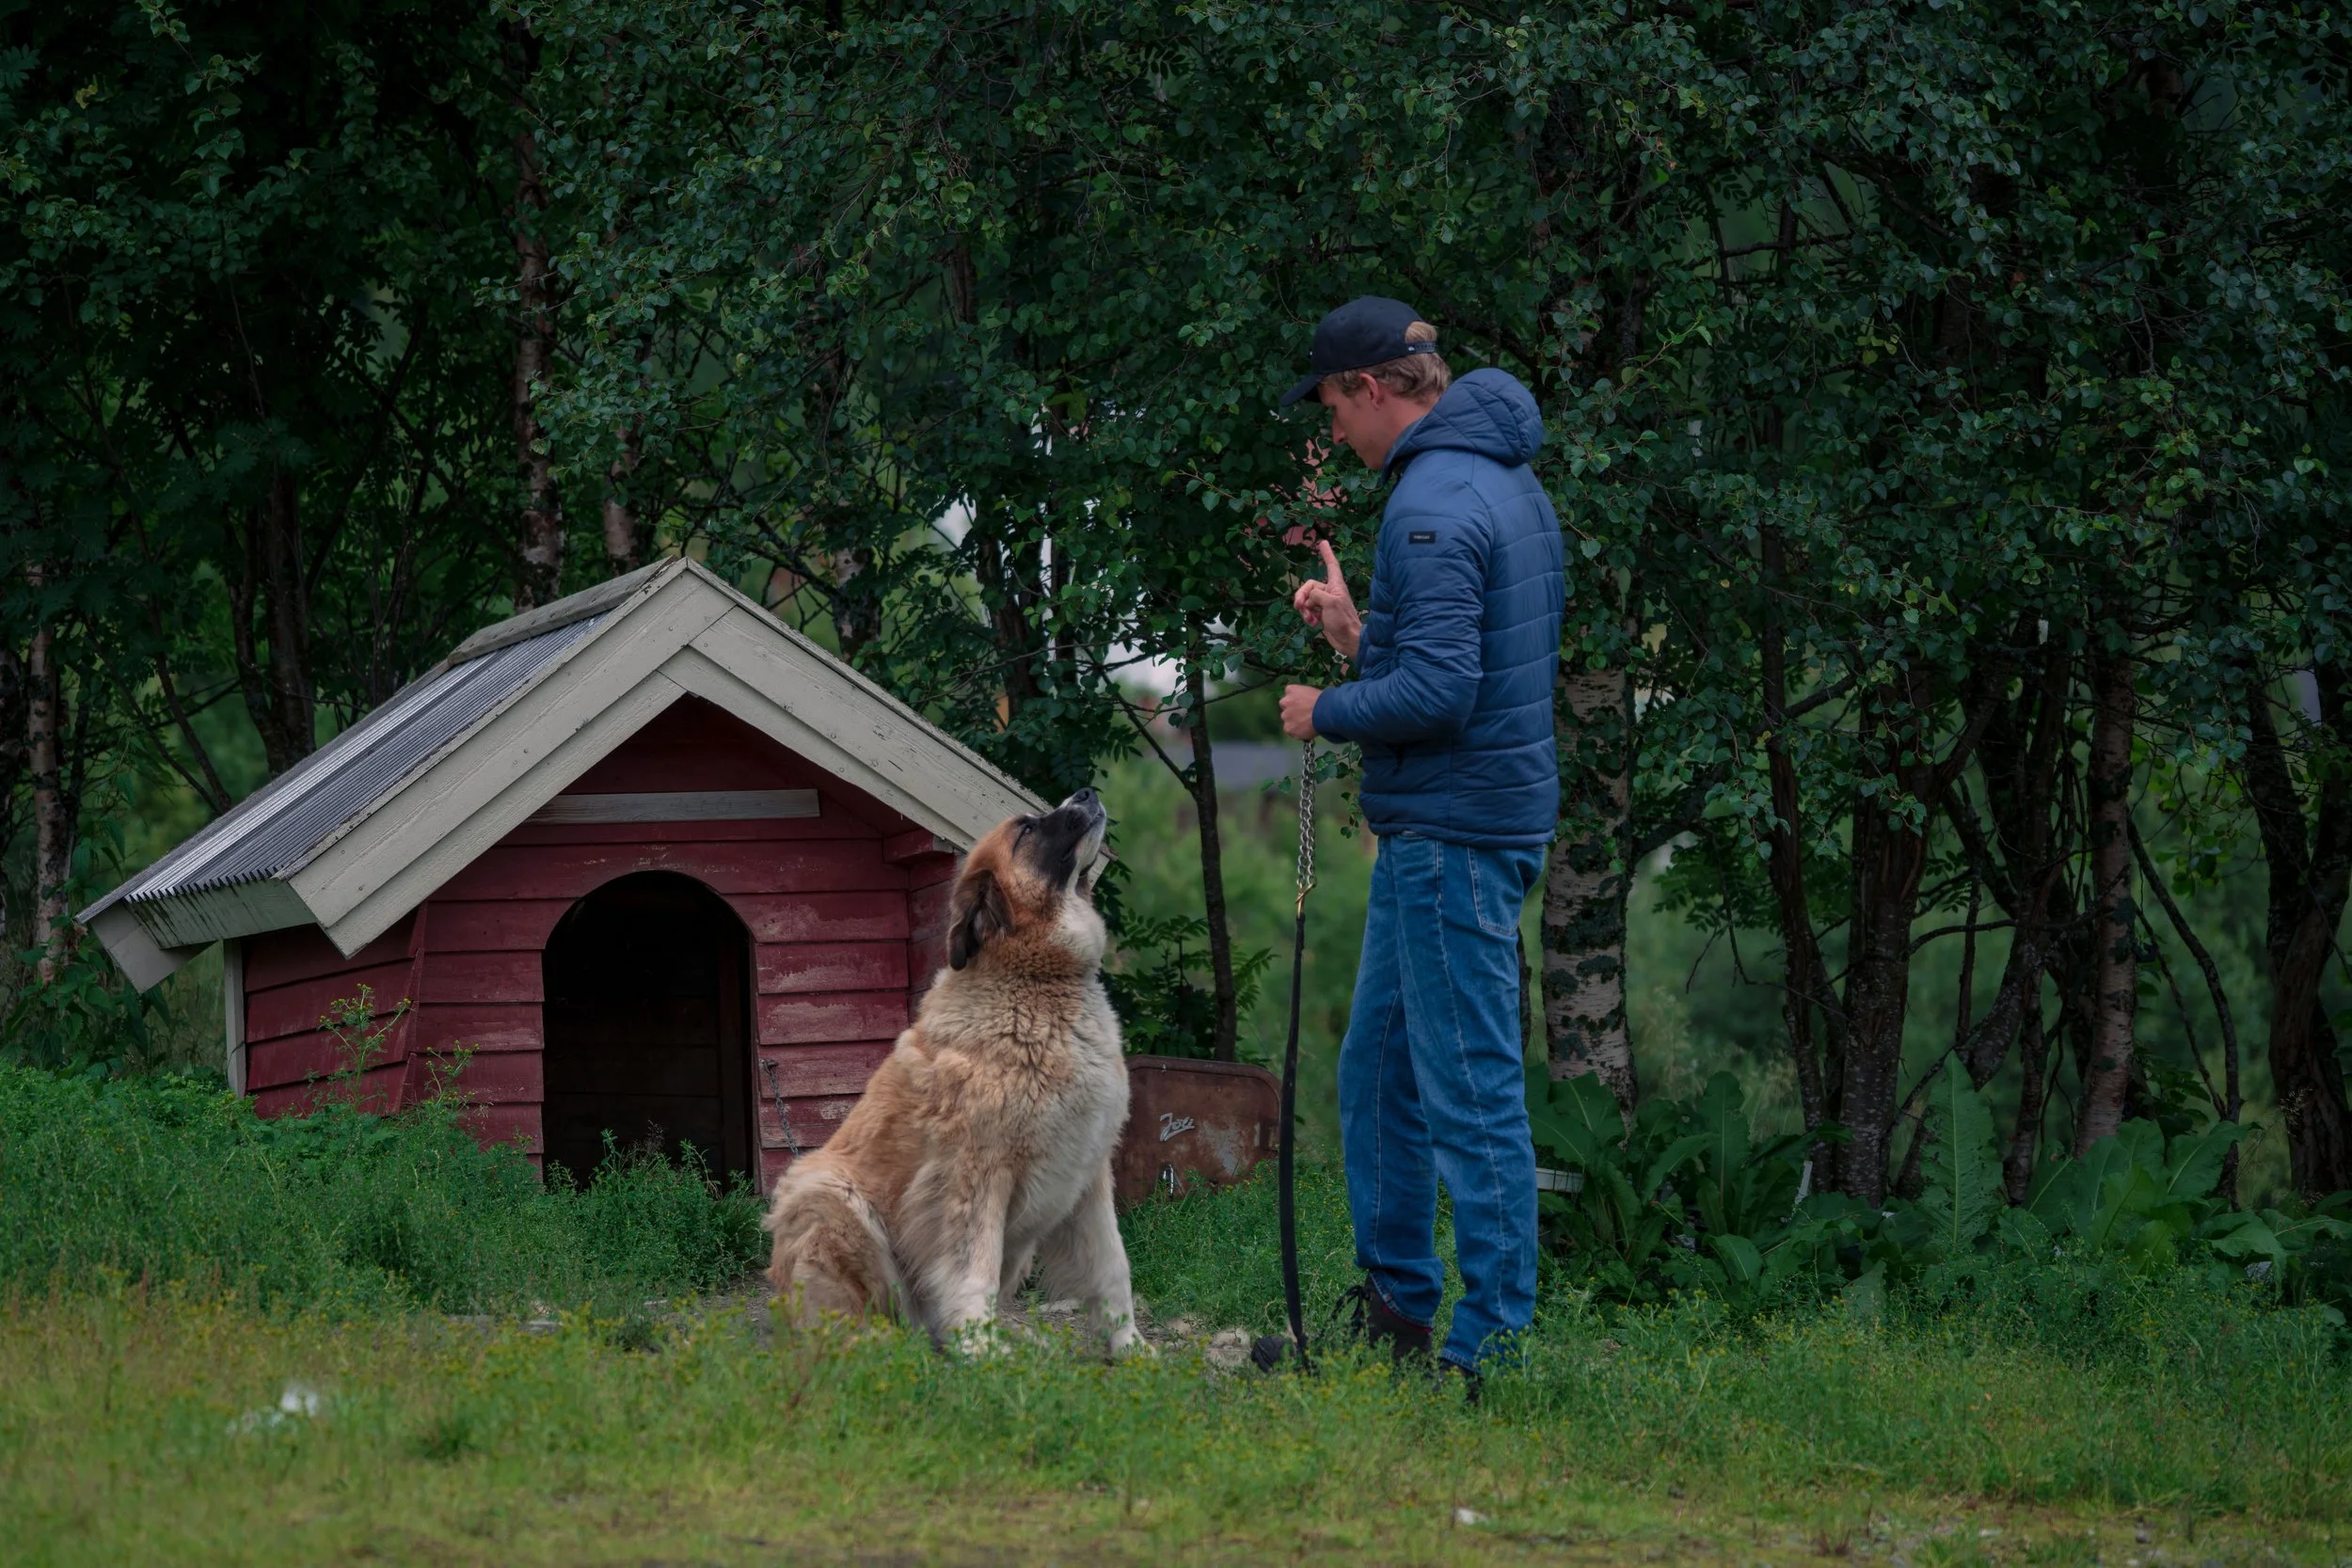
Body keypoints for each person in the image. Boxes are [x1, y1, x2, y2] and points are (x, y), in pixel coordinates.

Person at [1276, 295, 1565, 1386]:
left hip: (1452, 833)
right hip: (1456, 822)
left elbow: (1442, 692)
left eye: (1332, 407)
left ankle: (1492, 1350)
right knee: (1383, 1070)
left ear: (1374, 389)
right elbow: (1476, 656)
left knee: (1468, 1090)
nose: (1332, 433)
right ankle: (1393, 1318)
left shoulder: (1432, 503)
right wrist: (1359, 636)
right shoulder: (1503, 481)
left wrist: (1326, 707)